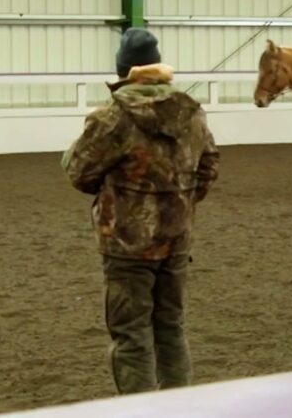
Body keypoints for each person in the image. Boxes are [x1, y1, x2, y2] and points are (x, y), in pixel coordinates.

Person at [61, 27, 220, 394]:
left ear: (124, 71)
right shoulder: (191, 112)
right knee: (171, 328)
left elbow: (78, 171)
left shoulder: (112, 117)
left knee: (131, 335)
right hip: (177, 240)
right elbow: (209, 165)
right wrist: (180, 201)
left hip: (127, 244)